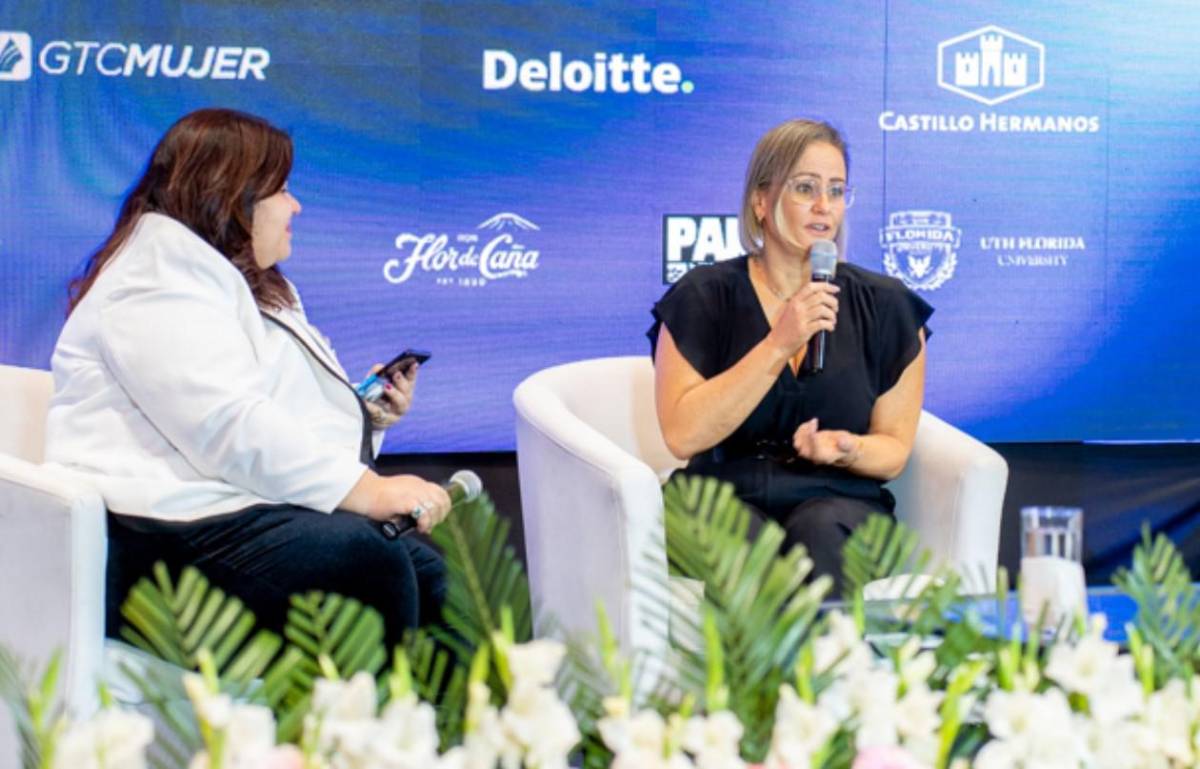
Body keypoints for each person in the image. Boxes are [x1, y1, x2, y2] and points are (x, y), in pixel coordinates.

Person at [44, 108, 452, 647]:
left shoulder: (241, 281)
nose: (294, 205)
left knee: (429, 572)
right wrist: (369, 491)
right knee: (365, 561)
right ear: (231, 195)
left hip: (224, 508)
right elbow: (226, 425)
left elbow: (275, 408)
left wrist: (367, 414)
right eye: (281, 190)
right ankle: (360, 707)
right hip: (152, 535)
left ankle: (453, 707)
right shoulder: (155, 280)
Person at [648, 119, 932, 593]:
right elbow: (682, 435)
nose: (824, 206)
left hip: (838, 499)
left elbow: (894, 452)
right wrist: (779, 344)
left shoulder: (887, 306)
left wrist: (848, 449)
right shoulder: (702, 297)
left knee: (821, 531)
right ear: (761, 201)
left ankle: (827, 645)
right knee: (746, 543)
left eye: (836, 190)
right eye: (805, 188)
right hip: (721, 498)